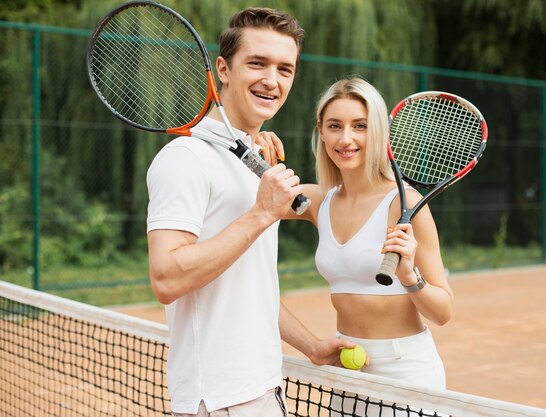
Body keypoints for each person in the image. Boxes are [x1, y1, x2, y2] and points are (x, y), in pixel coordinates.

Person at [146, 9, 354, 417]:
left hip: (262, 386)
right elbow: (166, 278)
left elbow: (247, 286)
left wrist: (309, 345)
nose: (271, 81)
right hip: (220, 399)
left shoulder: (251, 157)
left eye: (285, 69)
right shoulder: (185, 158)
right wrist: (261, 213)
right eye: (257, 63)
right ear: (222, 68)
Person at [269, 77, 454, 392]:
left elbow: (443, 311)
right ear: (321, 131)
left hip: (406, 371)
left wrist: (410, 277)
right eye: (334, 126)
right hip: (348, 366)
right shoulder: (316, 201)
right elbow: (253, 203)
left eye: (360, 126)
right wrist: (256, 153)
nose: (345, 138)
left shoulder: (405, 203)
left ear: (379, 132)